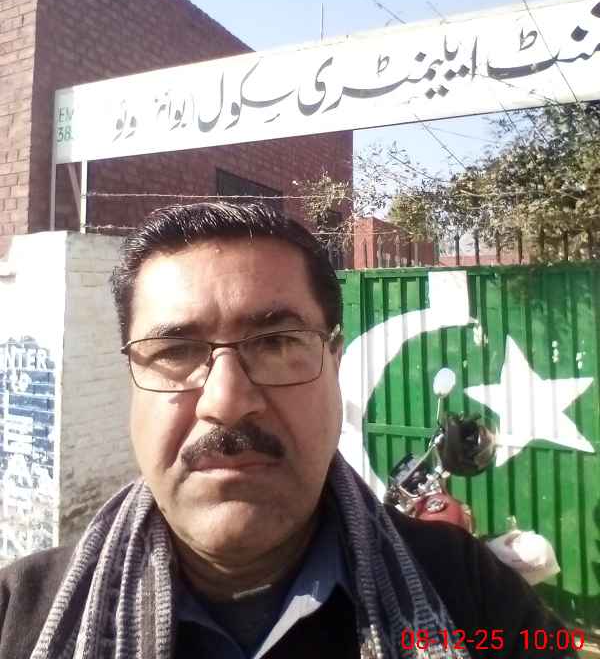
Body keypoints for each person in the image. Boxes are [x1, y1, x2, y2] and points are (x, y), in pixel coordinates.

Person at [0, 202, 572, 659]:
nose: (226, 402)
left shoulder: (472, 594)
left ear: (335, 365)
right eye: (175, 351)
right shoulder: (17, 617)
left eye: (275, 343)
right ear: (131, 378)